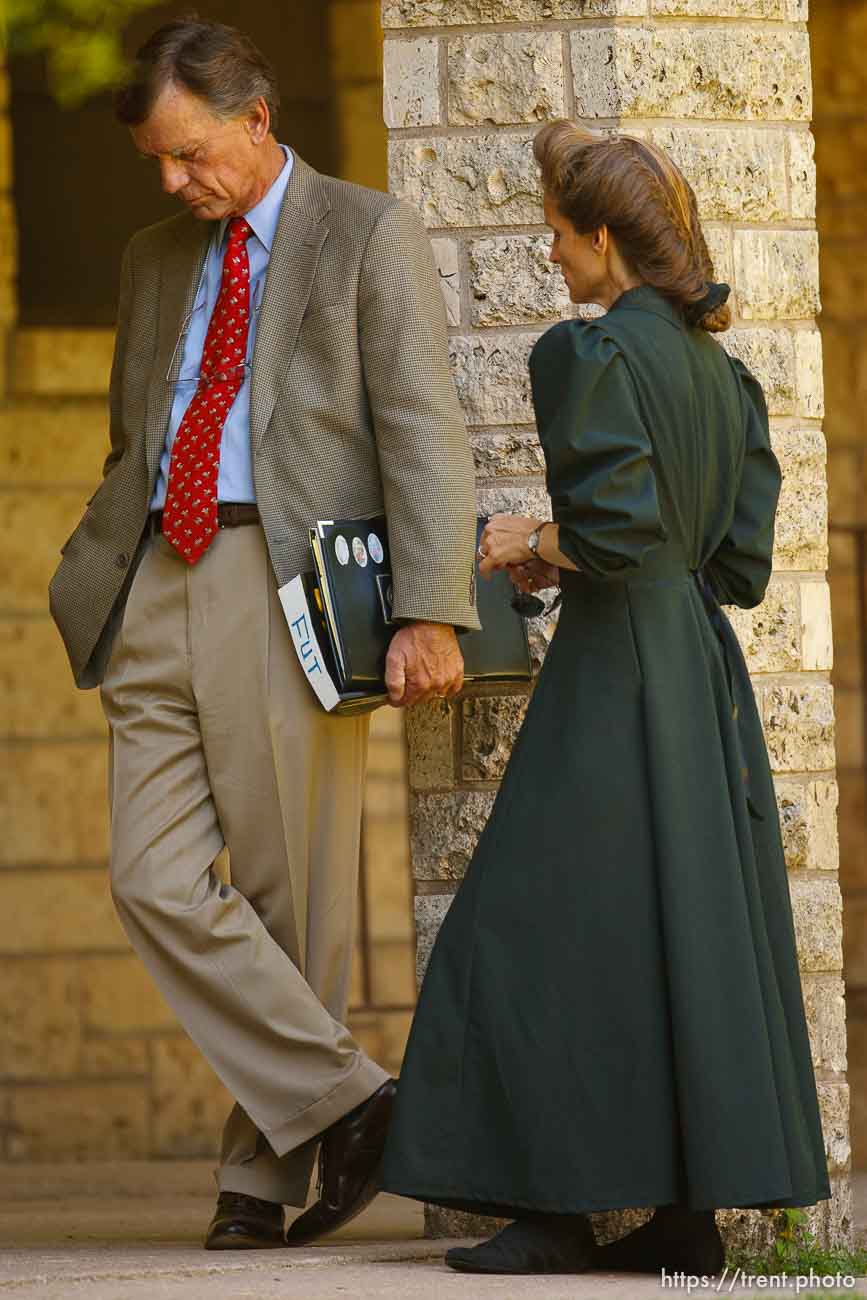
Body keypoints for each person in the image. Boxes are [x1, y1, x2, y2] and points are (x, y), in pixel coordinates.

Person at [48, 17, 479, 1252]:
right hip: (154, 582)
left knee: (295, 895)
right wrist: (103, 562)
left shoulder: (364, 231)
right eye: (157, 166)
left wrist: (430, 609)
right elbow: (139, 432)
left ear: (255, 120)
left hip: (287, 583)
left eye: (189, 155)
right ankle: (356, 1104)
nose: (173, 183)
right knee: (152, 878)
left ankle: (260, 1177)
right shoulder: (152, 255)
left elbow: (420, 430)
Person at [380, 119, 831, 1276]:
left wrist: (529, 535)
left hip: (616, 672)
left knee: (534, 930)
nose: (551, 258)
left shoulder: (589, 357)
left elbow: (618, 531)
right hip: (697, 672)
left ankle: (558, 1206)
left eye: (558, 237)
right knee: (672, 925)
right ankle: (682, 1214)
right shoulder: (725, 379)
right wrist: (578, 549)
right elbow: (733, 562)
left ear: (605, 242)